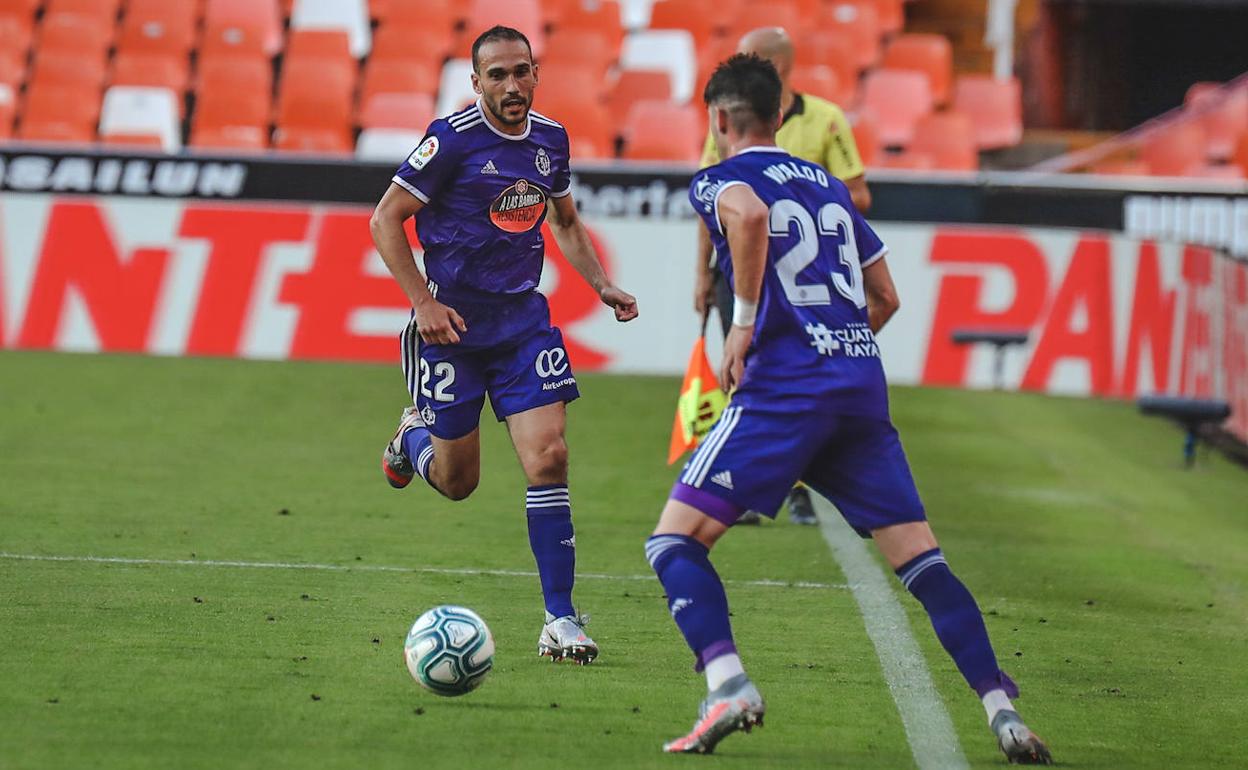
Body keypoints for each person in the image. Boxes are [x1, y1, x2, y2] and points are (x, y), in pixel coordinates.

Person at [646, 54, 1051, 764]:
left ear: (718, 119)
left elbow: (749, 216)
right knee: (922, 561)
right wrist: (836, 346)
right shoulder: (829, 185)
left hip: (785, 390)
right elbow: (886, 296)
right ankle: (1003, 711)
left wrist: (743, 325)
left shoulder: (718, 179)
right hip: (858, 385)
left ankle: (728, 685)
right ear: (780, 115)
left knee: (674, 544)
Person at [370, 25, 638, 666]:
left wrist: (601, 284)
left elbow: (565, 221)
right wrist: (424, 304)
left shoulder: (551, 139)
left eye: (521, 71)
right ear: (476, 82)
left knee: (549, 458)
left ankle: (560, 620)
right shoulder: (451, 140)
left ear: (536, 74)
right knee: (458, 482)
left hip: (522, 325)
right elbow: (385, 219)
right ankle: (412, 437)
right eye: (497, 75)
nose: (512, 85)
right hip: (452, 331)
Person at [695, 27, 871, 527]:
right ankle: (755, 486)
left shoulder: (826, 119)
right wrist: (701, 274)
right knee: (743, 373)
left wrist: (803, 195)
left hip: (800, 279)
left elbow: (858, 194)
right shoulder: (729, 120)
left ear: (774, 65)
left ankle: (787, 482)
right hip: (737, 270)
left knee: (782, 376)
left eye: (746, 58)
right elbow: (712, 204)